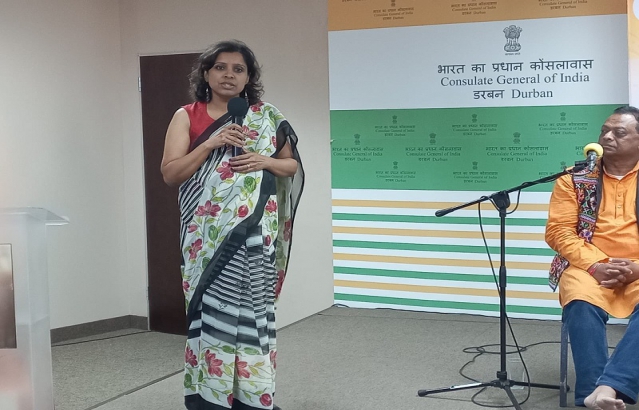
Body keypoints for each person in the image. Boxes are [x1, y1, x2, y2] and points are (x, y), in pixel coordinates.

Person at [161, 40, 304, 410]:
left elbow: (290, 165)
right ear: (206, 73)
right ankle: (210, 398)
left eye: (238, 69)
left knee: (255, 313)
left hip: (255, 236)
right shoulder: (186, 116)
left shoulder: (266, 116)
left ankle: (253, 397)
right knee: (214, 312)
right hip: (207, 240)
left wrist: (264, 161)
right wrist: (210, 144)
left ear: (248, 77)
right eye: (221, 67)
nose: (229, 75)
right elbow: (171, 173)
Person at [546, 106, 639, 410]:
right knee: (579, 299)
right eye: (604, 131)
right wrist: (597, 264)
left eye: (619, 132)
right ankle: (595, 396)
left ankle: (606, 387)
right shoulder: (573, 178)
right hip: (589, 266)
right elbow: (558, 231)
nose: (607, 137)